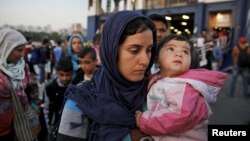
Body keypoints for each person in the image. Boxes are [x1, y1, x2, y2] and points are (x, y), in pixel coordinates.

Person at [56, 10, 157, 141]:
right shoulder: (82, 100)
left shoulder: (156, 93)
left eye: (149, 50)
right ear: (112, 50)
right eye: (134, 50)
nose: (145, 60)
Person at [135, 34, 227, 141]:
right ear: (156, 60)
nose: (179, 54)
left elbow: (181, 116)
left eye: (185, 52)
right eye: (171, 49)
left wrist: (144, 121)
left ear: (190, 63)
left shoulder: (185, 86)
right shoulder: (156, 79)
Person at [0, 28, 33, 141]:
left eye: (24, 49)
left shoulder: (23, 67)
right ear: (6, 48)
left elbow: (27, 90)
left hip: (18, 125)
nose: (23, 54)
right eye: (19, 50)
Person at [42, 57, 74, 141]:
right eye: (62, 75)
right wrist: (49, 127)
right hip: (54, 125)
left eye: (68, 75)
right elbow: (46, 109)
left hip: (70, 125)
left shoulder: (74, 87)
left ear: (72, 73)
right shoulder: (50, 89)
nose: (65, 78)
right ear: (57, 73)